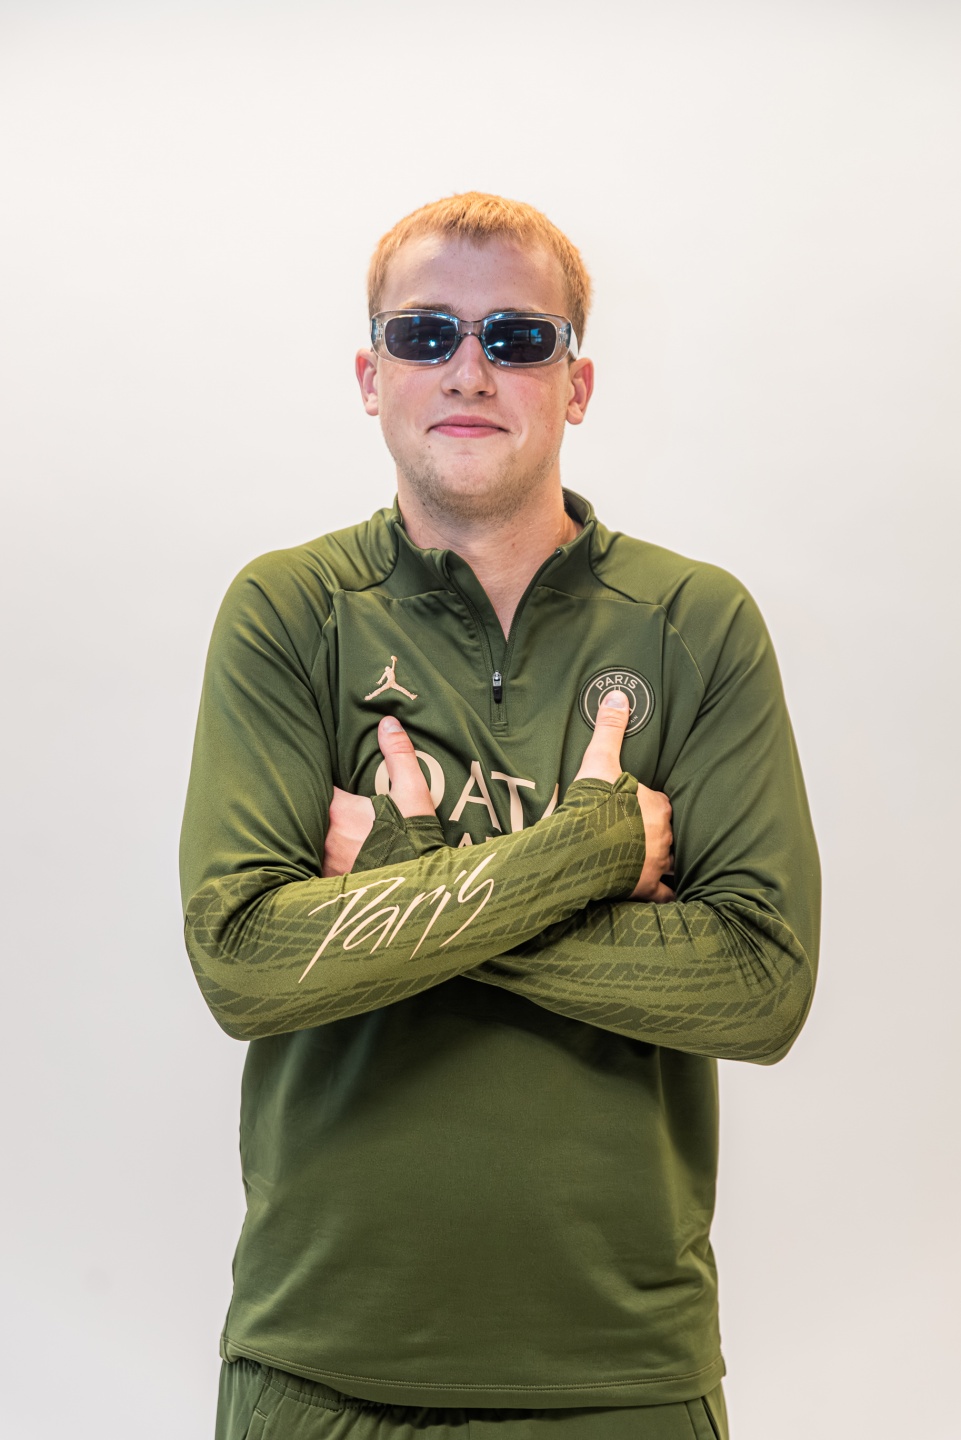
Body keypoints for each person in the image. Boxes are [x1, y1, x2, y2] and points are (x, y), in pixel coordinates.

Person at [180, 191, 820, 1440]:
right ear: (370, 375)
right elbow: (245, 961)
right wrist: (587, 850)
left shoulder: (696, 623)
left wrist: (404, 879)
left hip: (621, 1377)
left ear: (576, 385)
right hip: (320, 1367)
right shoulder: (290, 612)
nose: (468, 369)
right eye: (425, 333)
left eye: (518, 338)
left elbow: (758, 985)